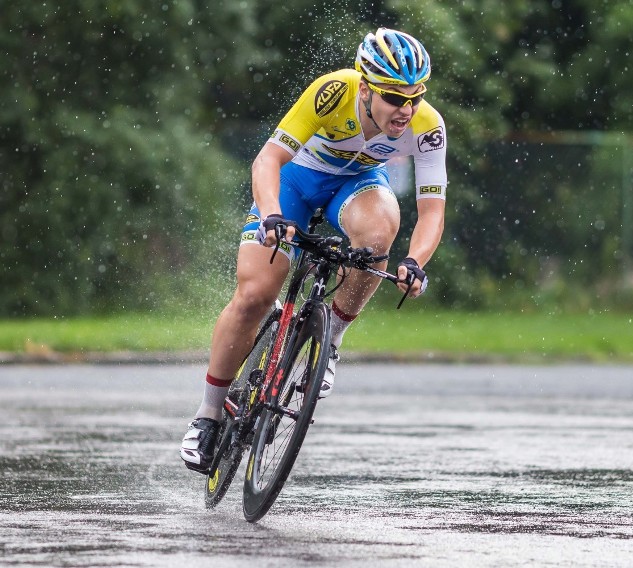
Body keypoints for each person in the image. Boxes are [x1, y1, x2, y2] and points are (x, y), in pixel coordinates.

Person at [180, 28, 447, 473]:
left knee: (380, 235)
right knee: (253, 297)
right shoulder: (331, 93)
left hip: (356, 186)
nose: (407, 110)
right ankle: (207, 415)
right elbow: (268, 159)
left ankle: (332, 339)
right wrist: (270, 213)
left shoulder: (427, 127)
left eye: (415, 97)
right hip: (296, 183)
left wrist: (415, 261)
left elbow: (432, 210)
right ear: (366, 88)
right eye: (395, 98)